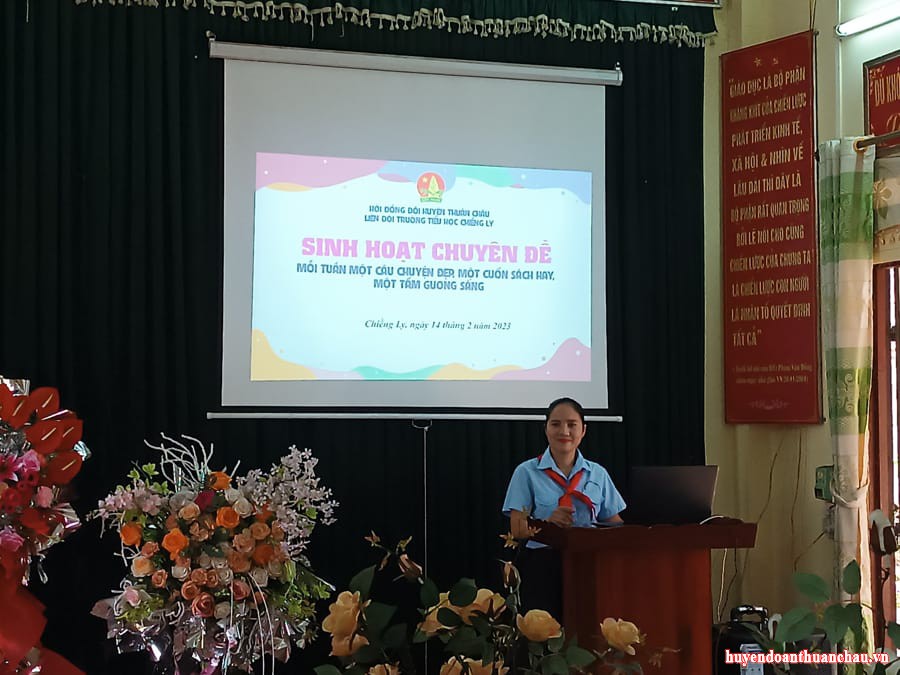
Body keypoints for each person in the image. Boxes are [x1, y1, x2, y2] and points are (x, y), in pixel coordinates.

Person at [502, 397, 625, 619]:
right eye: (556, 424)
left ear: (583, 430)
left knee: (589, 629)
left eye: (572, 424)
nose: (564, 431)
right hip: (542, 567)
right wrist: (547, 524)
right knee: (544, 632)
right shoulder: (526, 472)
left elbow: (615, 524)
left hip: (590, 565)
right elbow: (517, 529)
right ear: (546, 429)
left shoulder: (598, 473)